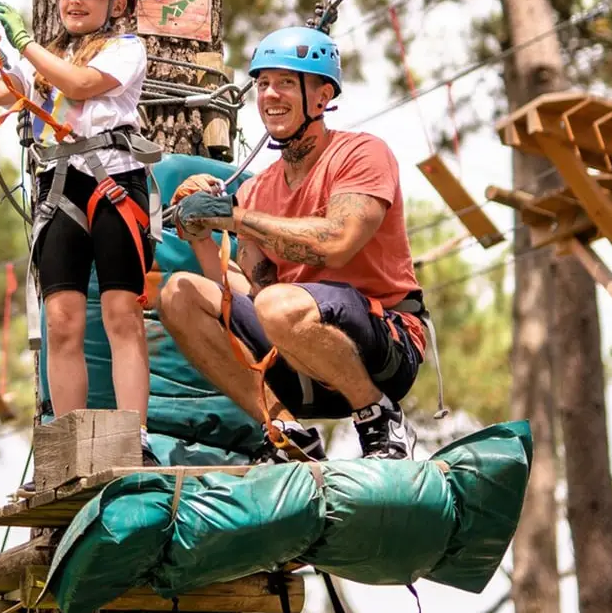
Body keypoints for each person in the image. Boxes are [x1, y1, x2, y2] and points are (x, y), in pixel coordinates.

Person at [157, 25, 430, 462]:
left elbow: (337, 242)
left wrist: (233, 215)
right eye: (263, 84)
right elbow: (248, 292)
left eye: (286, 82)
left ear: (321, 97)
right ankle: (285, 431)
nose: (270, 95)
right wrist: (202, 237)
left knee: (280, 306)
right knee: (179, 294)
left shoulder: (361, 154)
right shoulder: (257, 190)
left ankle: (379, 417)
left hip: (384, 350)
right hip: (299, 353)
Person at [0, 0, 161, 467]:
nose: (76, 0)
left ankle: (136, 436)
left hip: (113, 182)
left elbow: (80, 85)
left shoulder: (126, 49)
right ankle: (69, 445)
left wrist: (22, 41)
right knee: (61, 319)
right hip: (60, 185)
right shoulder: (42, 61)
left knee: (120, 313)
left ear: (118, 4)